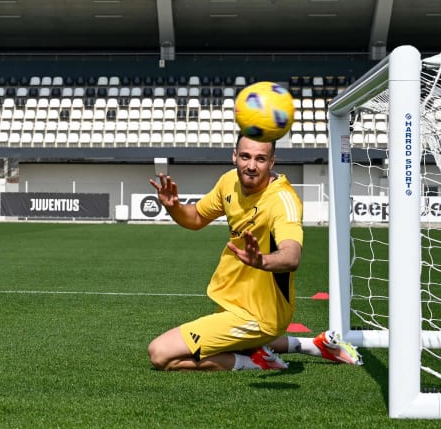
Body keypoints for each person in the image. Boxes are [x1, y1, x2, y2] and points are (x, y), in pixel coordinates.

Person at [147, 134, 363, 371]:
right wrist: (174, 208)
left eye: (260, 159)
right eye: (245, 157)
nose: (251, 166)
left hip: (261, 315)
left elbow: (291, 256)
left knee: (161, 353)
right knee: (227, 342)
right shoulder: (229, 182)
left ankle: (257, 363)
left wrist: (262, 261)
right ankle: (313, 345)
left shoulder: (283, 201)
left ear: (272, 162)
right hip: (233, 302)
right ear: (234, 156)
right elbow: (197, 218)